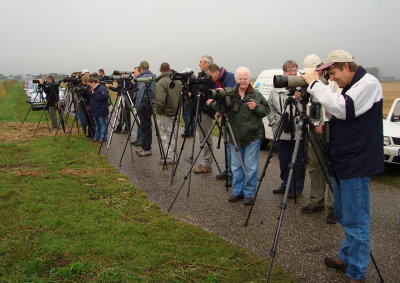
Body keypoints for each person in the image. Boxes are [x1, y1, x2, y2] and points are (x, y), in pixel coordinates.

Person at [302, 49, 384, 283]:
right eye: (326, 75)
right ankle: (346, 256)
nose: (331, 78)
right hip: (343, 160)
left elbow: (345, 109)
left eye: (332, 72)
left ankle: (356, 272)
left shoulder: (368, 84)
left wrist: (315, 85)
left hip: (355, 163)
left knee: (357, 219)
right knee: (347, 216)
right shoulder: (353, 85)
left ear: (346, 65)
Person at [213, 67, 268, 205]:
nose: (243, 81)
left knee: (251, 167)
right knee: (236, 166)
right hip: (234, 136)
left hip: (252, 136)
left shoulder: (256, 94)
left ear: (249, 80)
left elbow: (266, 110)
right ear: (236, 79)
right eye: (240, 78)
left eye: (245, 78)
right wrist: (220, 98)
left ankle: (249, 193)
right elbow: (217, 108)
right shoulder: (230, 94)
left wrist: (256, 107)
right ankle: (237, 192)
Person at [299, 54, 336, 224]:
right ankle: (316, 201)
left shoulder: (333, 82)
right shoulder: (308, 84)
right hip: (314, 129)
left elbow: (337, 105)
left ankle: (333, 208)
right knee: (314, 166)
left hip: (330, 131)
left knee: (332, 168)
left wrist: (326, 122)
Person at [268, 60, 306, 199]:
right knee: (284, 159)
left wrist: (300, 98)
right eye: (289, 70)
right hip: (282, 129)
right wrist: (274, 122)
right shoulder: (276, 89)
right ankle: (285, 184)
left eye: (294, 70)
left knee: (298, 159)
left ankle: (297, 187)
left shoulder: (302, 88)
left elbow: (308, 108)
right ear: (284, 72)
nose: (292, 72)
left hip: (297, 130)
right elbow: (269, 106)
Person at [206, 63, 236, 185]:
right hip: (225, 115)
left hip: (233, 117)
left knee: (232, 145)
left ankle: (233, 173)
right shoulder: (221, 79)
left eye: (209, 75)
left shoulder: (230, 78)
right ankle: (228, 170)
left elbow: (232, 96)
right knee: (227, 144)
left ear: (215, 73)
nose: (209, 78)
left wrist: (216, 98)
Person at [192, 55, 217, 173]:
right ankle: (205, 162)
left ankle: (207, 164)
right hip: (199, 109)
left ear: (207, 64)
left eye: (201, 62)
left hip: (206, 111)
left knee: (206, 137)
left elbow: (211, 90)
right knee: (202, 137)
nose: (199, 64)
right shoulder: (201, 76)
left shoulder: (211, 77)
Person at [155, 62, 181, 164]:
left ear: (160, 70)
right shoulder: (178, 81)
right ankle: (172, 154)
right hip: (175, 110)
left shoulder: (161, 82)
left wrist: (159, 111)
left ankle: (169, 157)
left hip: (165, 112)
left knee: (165, 135)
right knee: (172, 133)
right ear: (169, 69)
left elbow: (160, 100)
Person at [135, 61, 156, 157]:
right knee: (144, 127)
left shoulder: (143, 78)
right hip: (147, 105)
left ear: (140, 68)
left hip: (144, 106)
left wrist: (139, 105)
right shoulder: (151, 77)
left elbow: (143, 95)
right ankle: (144, 146)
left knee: (145, 127)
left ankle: (147, 148)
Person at [87, 77, 109, 142]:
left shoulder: (101, 88)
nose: (89, 86)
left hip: (101, 109)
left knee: (102, 124)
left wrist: (94, 93)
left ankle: (103, 138)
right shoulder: (94, 89)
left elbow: (104, 96)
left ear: (93, 83)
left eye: (90, 85)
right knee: (97, 124)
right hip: (95, 110)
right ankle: (97, 137)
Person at [181, 68, 195, 138]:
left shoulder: (188, 80)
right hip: (193, 101)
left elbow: (187, 90)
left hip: (187, 100)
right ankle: (192, 132)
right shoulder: (195, 80)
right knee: (192, 116)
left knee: (185, 116)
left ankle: (187, 132)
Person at [131, 66, 143, 146]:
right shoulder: (137, 81)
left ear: (139, 72)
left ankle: (140, 140)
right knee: (138, 123)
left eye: (135, 72)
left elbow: (140, 95)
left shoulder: (141, 81)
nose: (134, 74)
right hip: (137, 104)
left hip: (140, 105)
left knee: (140, 123)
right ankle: (138, 139)